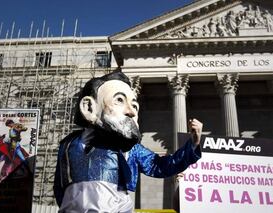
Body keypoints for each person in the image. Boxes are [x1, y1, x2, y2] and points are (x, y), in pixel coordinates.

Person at [53, 71, 203, 212]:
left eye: (135, 106)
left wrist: (193, 144)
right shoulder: (68, 145)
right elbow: (60, 187)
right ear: (89, 107)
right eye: (119, 100)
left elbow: (160, 166)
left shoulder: (130, 149)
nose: (131, 112)